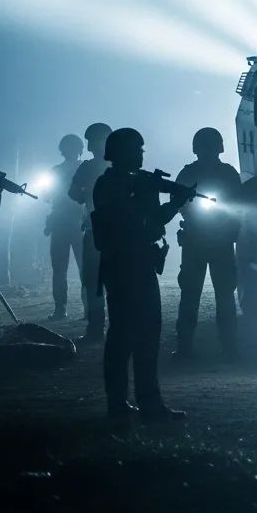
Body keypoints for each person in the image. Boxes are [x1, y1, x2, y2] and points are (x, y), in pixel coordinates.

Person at [91, 128, 189, 422]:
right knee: (135, 335)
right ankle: (141, 404)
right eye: (137, 150)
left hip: (128, 264)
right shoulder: (121, 185)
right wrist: (174, 202)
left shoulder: (113, 183)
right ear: (122, 152)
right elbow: (148, 220)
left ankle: (126, 404)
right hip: (129, 264)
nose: (141, 155)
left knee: (131, 334)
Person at [173, 128, 242, 360]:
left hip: (208, 240)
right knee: (198, 295)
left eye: (209, 147)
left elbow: (237, 204)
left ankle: (226, 346)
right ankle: (192, 347)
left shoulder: (224, 173)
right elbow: (179, 203)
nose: (208, 152)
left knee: (217, 295)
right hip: (202, 239)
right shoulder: (223, 173)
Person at [68, 122, 112, 343]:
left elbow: (74, 194)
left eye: (93, 141)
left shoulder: (87, 168)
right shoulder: (120, 164)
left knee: (94, 282)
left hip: (97, 232)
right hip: (113, 232)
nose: (91, 145)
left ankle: (96, 329)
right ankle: (109, 327)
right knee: (107, 281)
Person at [42, 134, 86, 321]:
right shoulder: (85, 168)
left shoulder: (57, 170)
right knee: (78, 268)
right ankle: (85, 309)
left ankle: (62, 309)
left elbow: (46, 195)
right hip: (74, 222)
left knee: (63, 269)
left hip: (70, 222)